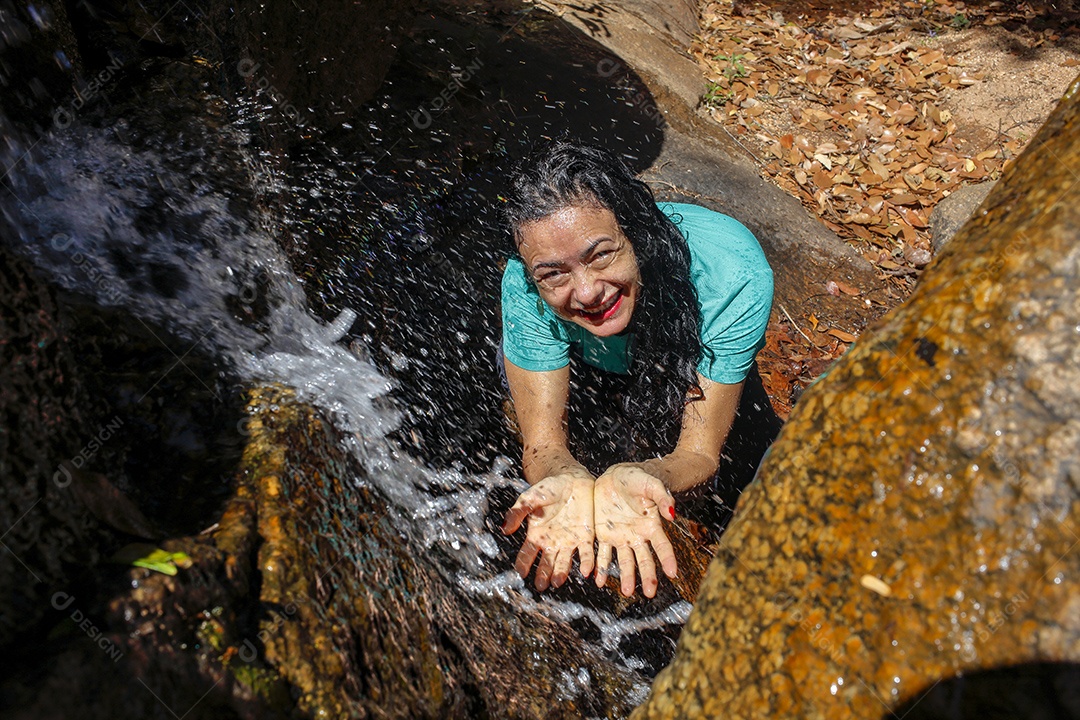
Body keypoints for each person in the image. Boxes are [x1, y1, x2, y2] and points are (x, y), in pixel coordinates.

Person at [498, 141, 774, 599]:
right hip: (587, 362)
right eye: (554, 275)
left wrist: (651, 476)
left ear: (637, 234)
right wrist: (565, 474)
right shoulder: (524, 287)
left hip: (686, 347)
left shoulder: (730, 274)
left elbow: (700, 454)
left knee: (746, 487)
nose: (587, 292)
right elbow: (543, 444)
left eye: (601, 255)